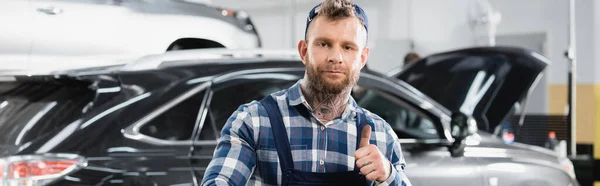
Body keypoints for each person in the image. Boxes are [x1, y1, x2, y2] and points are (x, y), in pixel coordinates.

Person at [201, 0, 411, 185]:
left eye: (348, 47)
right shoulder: (254, 122)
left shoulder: (381, 135)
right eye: (324, 44)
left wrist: (389, 175)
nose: (335, 57)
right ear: (303, 51)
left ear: (363, 58)